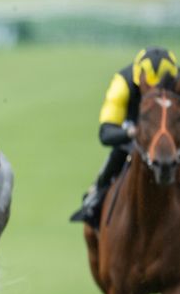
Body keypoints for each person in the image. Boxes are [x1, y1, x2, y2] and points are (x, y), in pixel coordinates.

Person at [70, 46, 178, 228]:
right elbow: (106, 133)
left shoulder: (177, 82)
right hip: (134, 139)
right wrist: (132, 132)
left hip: (172, 143)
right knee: (117, 157)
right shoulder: (123, 82)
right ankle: (94, 201)